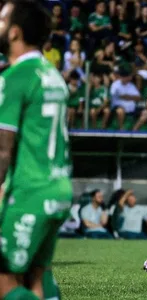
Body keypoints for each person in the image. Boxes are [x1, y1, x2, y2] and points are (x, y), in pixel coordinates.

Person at [0, 1, 72, 299]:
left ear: (15, 32)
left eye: (1, 20)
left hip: (30, 190)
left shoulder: (16, 77)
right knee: (36, 280)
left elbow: (3, 148)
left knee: (4, 281)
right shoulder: (53, 75)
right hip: (58, 188)